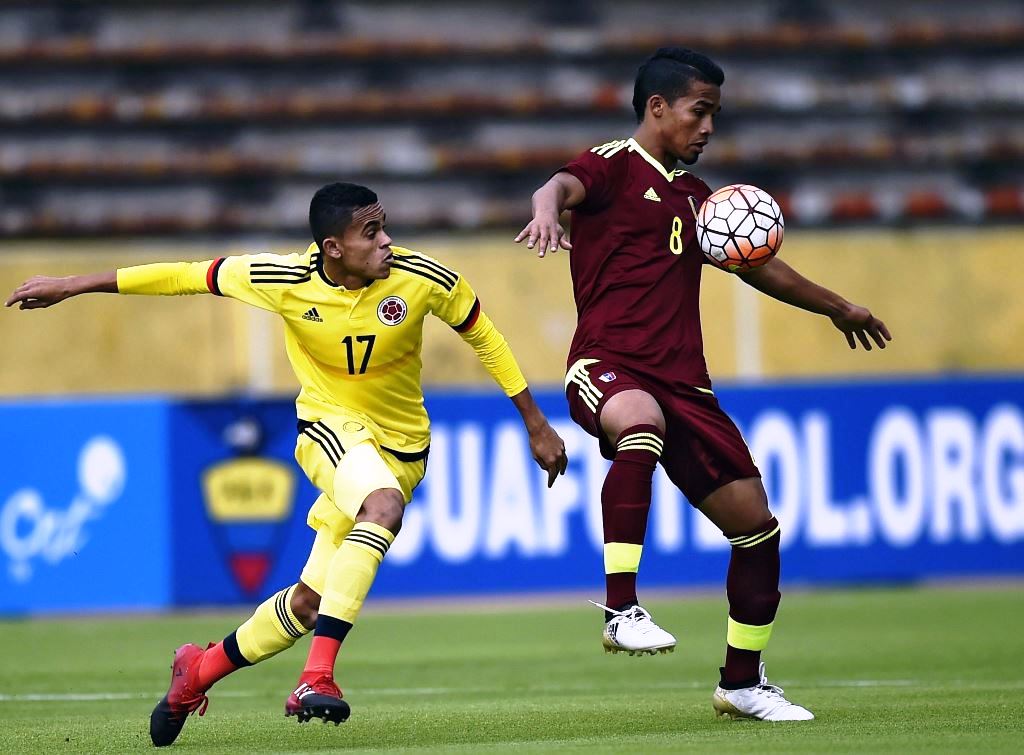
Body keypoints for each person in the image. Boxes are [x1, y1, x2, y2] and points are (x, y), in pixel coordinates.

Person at [6, 182, 568, 745]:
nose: (387, 241)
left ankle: (193, 674)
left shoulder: (422, 278)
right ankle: (316, 677)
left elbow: (485, 336)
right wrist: (74, 284)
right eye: (371, 233)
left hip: (404, 451)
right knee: (382, 505)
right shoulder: (282, 279)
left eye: (384, 226)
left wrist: (535, 422)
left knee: (307, 604)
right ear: (333, 248)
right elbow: (184, 275)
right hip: (328, 429)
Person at [515, 47, 891, 722]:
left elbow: (760, 268)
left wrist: (838, 306)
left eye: (715, 112)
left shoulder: (698, 199)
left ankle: (742, 681)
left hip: (686, 385)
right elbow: (557, 188)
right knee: (639, 423)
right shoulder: (610, 165)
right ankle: (620, 605)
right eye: (700, 110)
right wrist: (545, 211)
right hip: (607, 365)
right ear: (657, 107)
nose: (709, 126)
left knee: (756, 527)